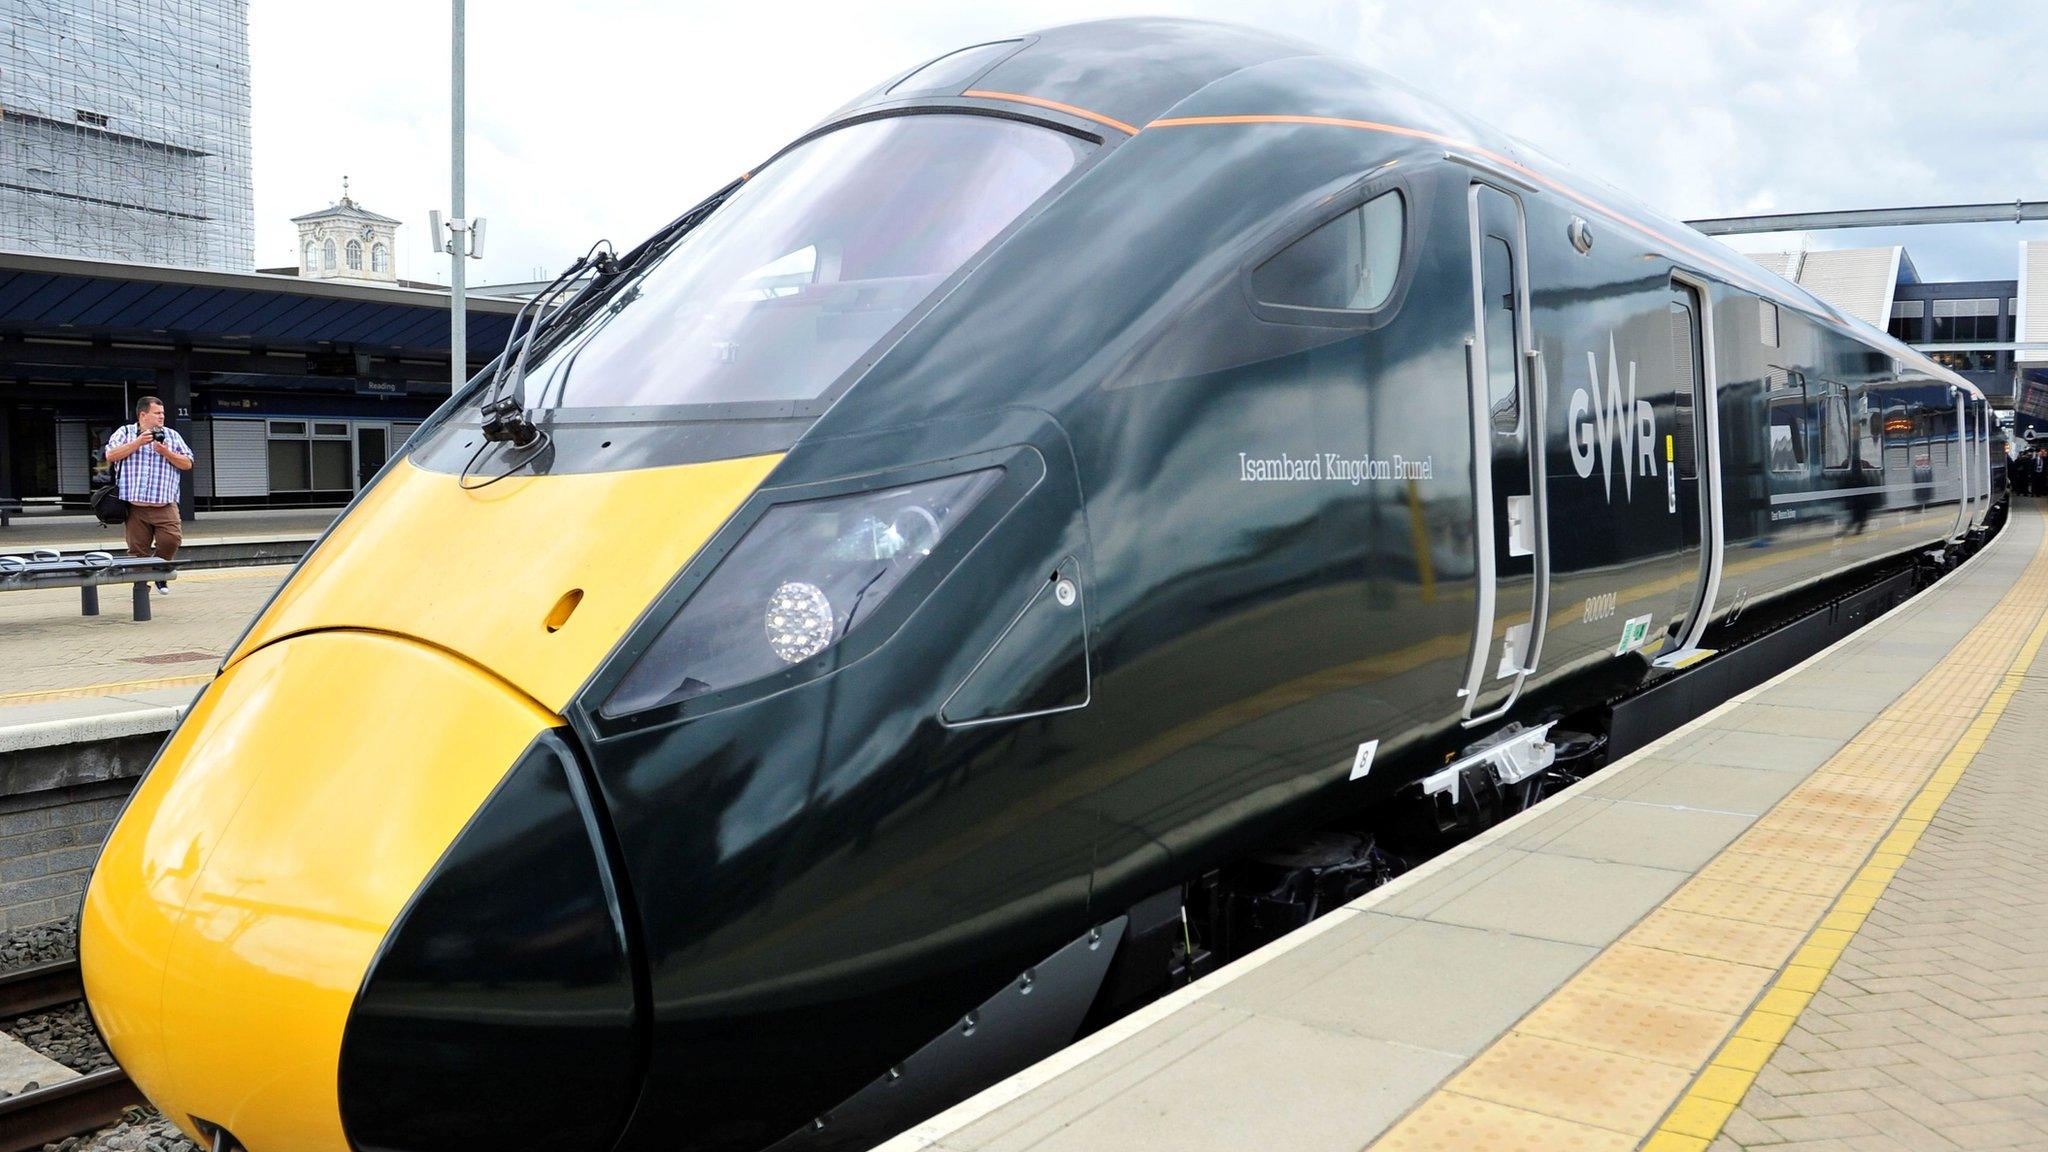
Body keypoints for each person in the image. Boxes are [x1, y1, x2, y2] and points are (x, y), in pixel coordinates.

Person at [103, 396, 194, 594]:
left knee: (171, 540)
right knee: (137, 551)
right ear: (143, 415)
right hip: (135, 506)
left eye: (163, 413)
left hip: (165, 503)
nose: (162, 417)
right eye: (157, 413)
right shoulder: (125, 432)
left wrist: (166, 452)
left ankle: (160, 572)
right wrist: (137, 443)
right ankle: (141, 588)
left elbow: (187, 463)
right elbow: (110, 455)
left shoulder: (172, 435)